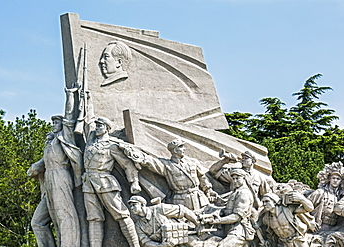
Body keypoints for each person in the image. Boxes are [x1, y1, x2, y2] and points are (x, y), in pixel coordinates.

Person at [27, 87, 82, 247]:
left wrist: (70, 95)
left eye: (56, 121)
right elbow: (43, 162)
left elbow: (69, 118)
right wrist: (35, 168)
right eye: (52, 122)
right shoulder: (50, 142)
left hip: (61, 177)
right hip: (49, 181)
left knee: (64, 216)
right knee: (37, 222)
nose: (53, 124)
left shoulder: (65, 138)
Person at [82, 116, 140, 247]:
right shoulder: (91, 143)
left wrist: (134, 181)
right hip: (88, 183)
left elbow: (127, 164)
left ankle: (135, 245)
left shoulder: (112, 145)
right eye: (96, 126)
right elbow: (86, 121)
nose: (97, 128)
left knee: (121, 214)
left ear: (107, 128)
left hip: (105, 182)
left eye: (100, 126)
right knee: (94, 218)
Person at [124, 139, 217, 212]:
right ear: (175, 150)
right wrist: (135, 155)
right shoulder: (166, 165)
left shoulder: (193, 162)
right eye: (181, 147)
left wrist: (209, 190)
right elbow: (151, 162)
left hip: (198, 197)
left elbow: (202, 177)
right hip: (180, 199)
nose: (184, 149)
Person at [210, 150, 275, 210]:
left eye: (246, 158)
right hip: (235, 205)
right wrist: (225, 161)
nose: (243, 160)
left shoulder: (259, 177)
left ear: (252, 161)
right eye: (242, 158)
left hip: (252, 207)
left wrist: (261, 204)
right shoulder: (235, 172)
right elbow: (213, 171)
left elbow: (266, 193)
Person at [207, 169, 255, 247]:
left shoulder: (243, 193)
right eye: (233, 179)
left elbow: (236, 217)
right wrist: (217, 212)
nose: (235, 181)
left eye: (237, 178)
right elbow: (228, 209)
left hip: (239, 230)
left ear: (244, 178)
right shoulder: (235, 192)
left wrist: (217, 221)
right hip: (228, 227)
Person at [128, 195, 200, 247]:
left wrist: (198, 225)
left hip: (183, 238)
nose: (131, 208)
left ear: (142, 204)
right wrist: (160, 245)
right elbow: (145, 242)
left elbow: (183, 210)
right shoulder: (138, 225)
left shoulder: (159, 209)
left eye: (134, 205)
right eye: (130, 206)